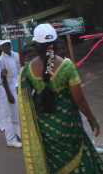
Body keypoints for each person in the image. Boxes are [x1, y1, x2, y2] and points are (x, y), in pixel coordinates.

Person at [19, 24, 103, 173]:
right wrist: (92, 119)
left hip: (46, 129)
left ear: (37, 44)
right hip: (69, 127)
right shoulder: (67, 67)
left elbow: (27, 101)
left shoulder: (27, 70)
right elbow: (79, 100)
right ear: (56, 43)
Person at [56, 37, 103, 155]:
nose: (62, 51)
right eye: (59, 49)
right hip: (63, 101)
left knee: (85, 121)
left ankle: (91, 146)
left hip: (75, 97)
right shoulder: (51, 65)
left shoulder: (68, 62)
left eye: (64, 48)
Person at [0, 39, 21, 138]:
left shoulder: (16, 54)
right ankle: (19, 132)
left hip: (20, 84)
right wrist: (8, 94)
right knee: (15, 111)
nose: (7, 47)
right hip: (11, 87)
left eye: (8, 44)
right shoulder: (1, 60)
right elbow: (3, 78)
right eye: (4, 45)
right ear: (1, 47)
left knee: (22, 108)